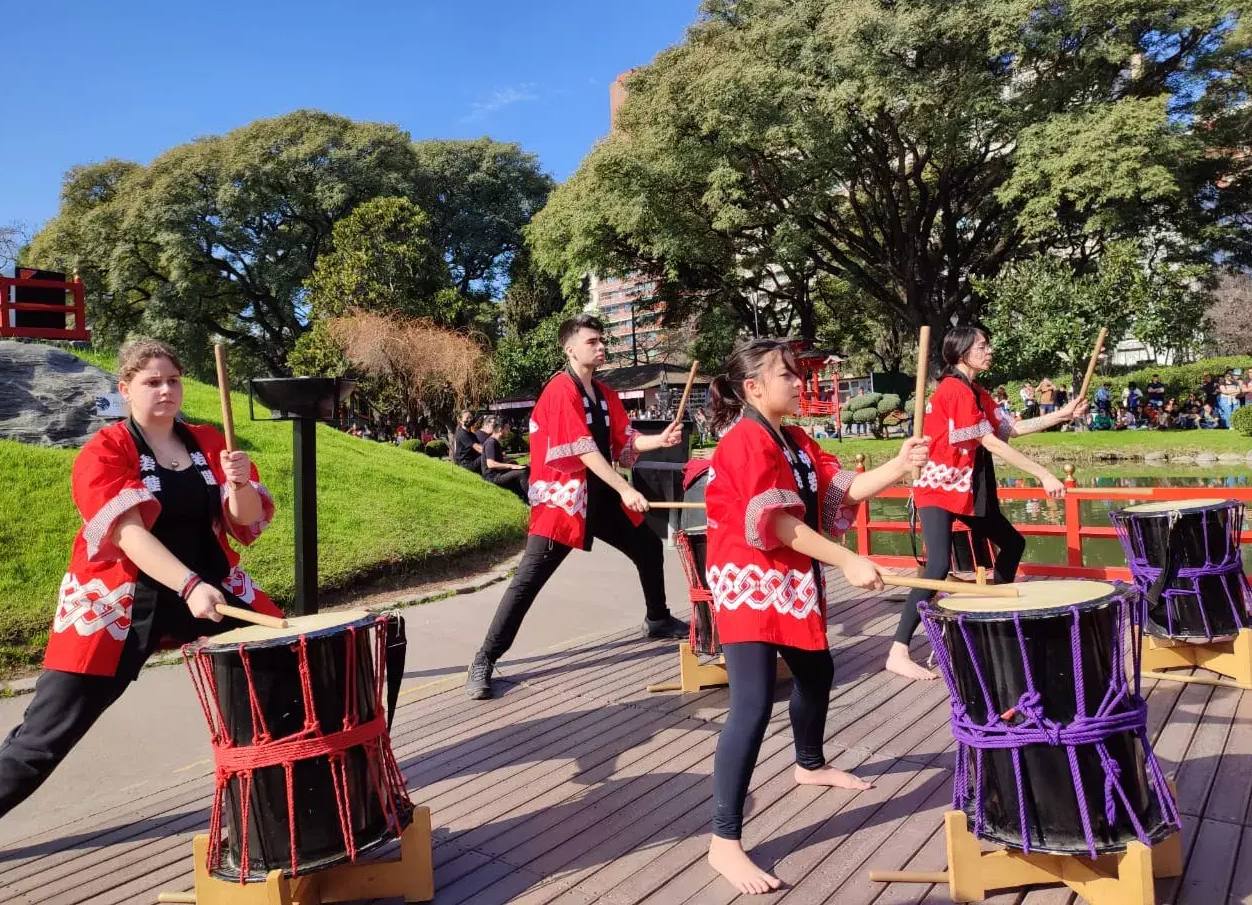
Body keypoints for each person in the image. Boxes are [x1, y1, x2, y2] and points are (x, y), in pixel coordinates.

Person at [0, 339, 281, 843]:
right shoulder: (106, 449)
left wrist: (241, 484)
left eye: (174, 379)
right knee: (47, 731)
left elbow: (244, 523)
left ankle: (261, 815)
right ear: (125, 389)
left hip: (214, 587)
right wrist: (188, 585)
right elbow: (127, 534)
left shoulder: (207, 440)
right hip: (121, 602)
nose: (166, 389)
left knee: (281, 673)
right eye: (152, 381)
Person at [701, 340, 929, 894]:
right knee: (752, 707)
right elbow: (778, 525)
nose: (798, 383)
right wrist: (850, 558)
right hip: (749, 583)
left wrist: (899, 464)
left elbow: (839, 491)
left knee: (817, 672)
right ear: (754, 388)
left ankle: (809, 763)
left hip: (791, 580)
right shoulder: (743, 442)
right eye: (787, 376)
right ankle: (723, 843)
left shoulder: (797, 441)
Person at [464, 314, 691, 700]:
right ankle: (484, 658)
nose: (601, 347)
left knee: (647, 546)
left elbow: (624, 440)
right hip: (564, 501)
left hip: (599, 496)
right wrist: (624, 488)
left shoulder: (605, 394)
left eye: (602, 341)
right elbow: (584, 450)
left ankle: (656, 617)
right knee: (528, 580)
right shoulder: (559, 391)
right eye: (592, 342)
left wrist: (658, 441)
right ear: (570, 349)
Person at [886, 327, 1085, 681]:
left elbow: (1010, 429)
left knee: (1012, 543)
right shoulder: (955, 390)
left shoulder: (975, 391)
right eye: (982, 346)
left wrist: (1061, 414)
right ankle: (899, 650)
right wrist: (1043, 474)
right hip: (938, 486)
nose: (989, 350)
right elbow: (991, 443)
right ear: (962, 353)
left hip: (963, 487)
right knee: (935, 568)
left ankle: (991, 613)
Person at [479, 415, 529, 500]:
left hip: (498, 473)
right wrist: (511, 466)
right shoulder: (491, 442)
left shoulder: (495, 441)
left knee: (526, 467)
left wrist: (511, 463)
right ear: (500, 430)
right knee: (523, 472)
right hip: (493, 477)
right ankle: (529, 500)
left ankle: (522, 494)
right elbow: (491, 464)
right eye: (507, 428)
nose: (509, 431)